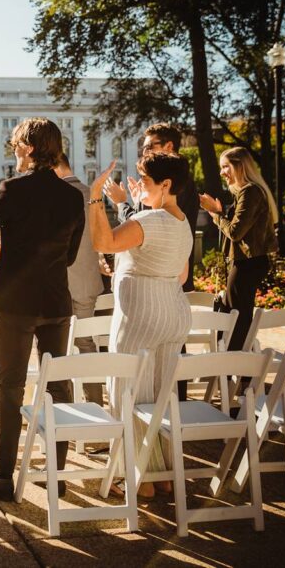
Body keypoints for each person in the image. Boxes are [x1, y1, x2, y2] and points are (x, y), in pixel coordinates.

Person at [0, 118, 83, 502]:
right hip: (56, 301)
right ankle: (57, 473)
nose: (14, 151)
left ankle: (3, 473)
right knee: (58, 385)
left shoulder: (11, 189)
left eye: (16, 145)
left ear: (29, 148)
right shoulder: (72, 196)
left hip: (17, 303)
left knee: (11, 386)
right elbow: (71, 255)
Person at [89, 153, 193, 498]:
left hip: (141, 318)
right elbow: (182, 274)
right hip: (174, 315)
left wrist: (95, 197)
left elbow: (103, 242)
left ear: (166, 185)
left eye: (146, 182)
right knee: (159, 397)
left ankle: (140, 481)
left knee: (128, 393)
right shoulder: (182, 223)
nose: (141, 187)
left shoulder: (149, 220)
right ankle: (161, 474)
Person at [103, 123, 200, 293]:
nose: (144, 151)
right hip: (165, 281)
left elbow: (146, 230)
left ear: (168, 146)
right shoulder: (167, 184)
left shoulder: (176, 186)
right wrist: (137, 200)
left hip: (168, 284)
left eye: (149, 146)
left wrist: (121, 203)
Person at [199, 147, 277, 353]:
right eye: (221, 167)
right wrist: (218, 213)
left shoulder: (250, 192)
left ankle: (237, 370)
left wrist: (215, 214)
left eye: (226, 166)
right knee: (238, 316)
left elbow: (235, 232)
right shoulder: (247, 192)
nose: (222, 172)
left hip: (247, 265)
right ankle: (240, 370)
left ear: (240, 166)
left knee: (236, 319)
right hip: (247, 263)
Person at [56, 153, 106, 405]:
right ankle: (95, 406)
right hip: (87, 282)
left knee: (55, 350)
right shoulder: (91, 194)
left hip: (60, 283)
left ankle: (60, 410)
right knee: (86, 345)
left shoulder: (57, 196)